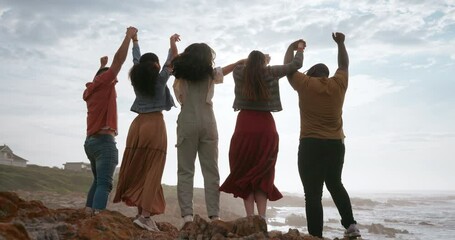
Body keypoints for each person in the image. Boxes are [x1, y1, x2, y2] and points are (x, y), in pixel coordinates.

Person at [284, 32, 361, 238]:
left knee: (312, 194)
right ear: (327, 74)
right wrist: (341, 44)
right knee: (335, 184)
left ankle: (316, 236)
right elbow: (344, 65)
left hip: (310, 144)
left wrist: (293, 48)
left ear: (312, 74)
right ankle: (351, 226)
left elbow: (289, 68)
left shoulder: (305, 84)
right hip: (336, 144)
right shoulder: (338, 84)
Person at [219, 40, 305, 219]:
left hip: (244, 125)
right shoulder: (271, 72)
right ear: (263, 63)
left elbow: (241, 63)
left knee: (245, 170)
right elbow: (296, 65)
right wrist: (300, 48)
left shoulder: (239, 72)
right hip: (266, 126)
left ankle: (250, 217)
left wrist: (255, 60)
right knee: (262, 172)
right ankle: (263, 217)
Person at [113, 32, 180, 231]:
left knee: (140, 167)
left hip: (137, 125)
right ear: (156, 65)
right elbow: (173, 60)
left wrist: (135, 40)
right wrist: (171, 43)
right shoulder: (160, 80)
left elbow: (136, 59)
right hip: (154, 124)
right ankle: (145, 217)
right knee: (153, 171)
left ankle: (140, 214)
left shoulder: (136, 78)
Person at [172, 43, 245, 224]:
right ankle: (214, 215)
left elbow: (175, 59)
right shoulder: (210, 74)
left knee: (186, 170)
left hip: (187, 120)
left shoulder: (180, 73)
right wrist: (241, 61)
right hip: (208, 121)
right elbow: (230, 68)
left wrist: (173, 43)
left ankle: (187, 216)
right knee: (211, 170)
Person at [83, 26, 137, 215]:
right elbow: (119, 61)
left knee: (98, 181)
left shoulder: (90, 90)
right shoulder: (105, 82)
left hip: (90, 142)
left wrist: (99, 67)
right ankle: (97, 219)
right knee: (105, 184)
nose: (114, 81)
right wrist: (128, 37)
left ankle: (88, 215)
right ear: (105, 78)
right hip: (104, 142)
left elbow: (97, 80)